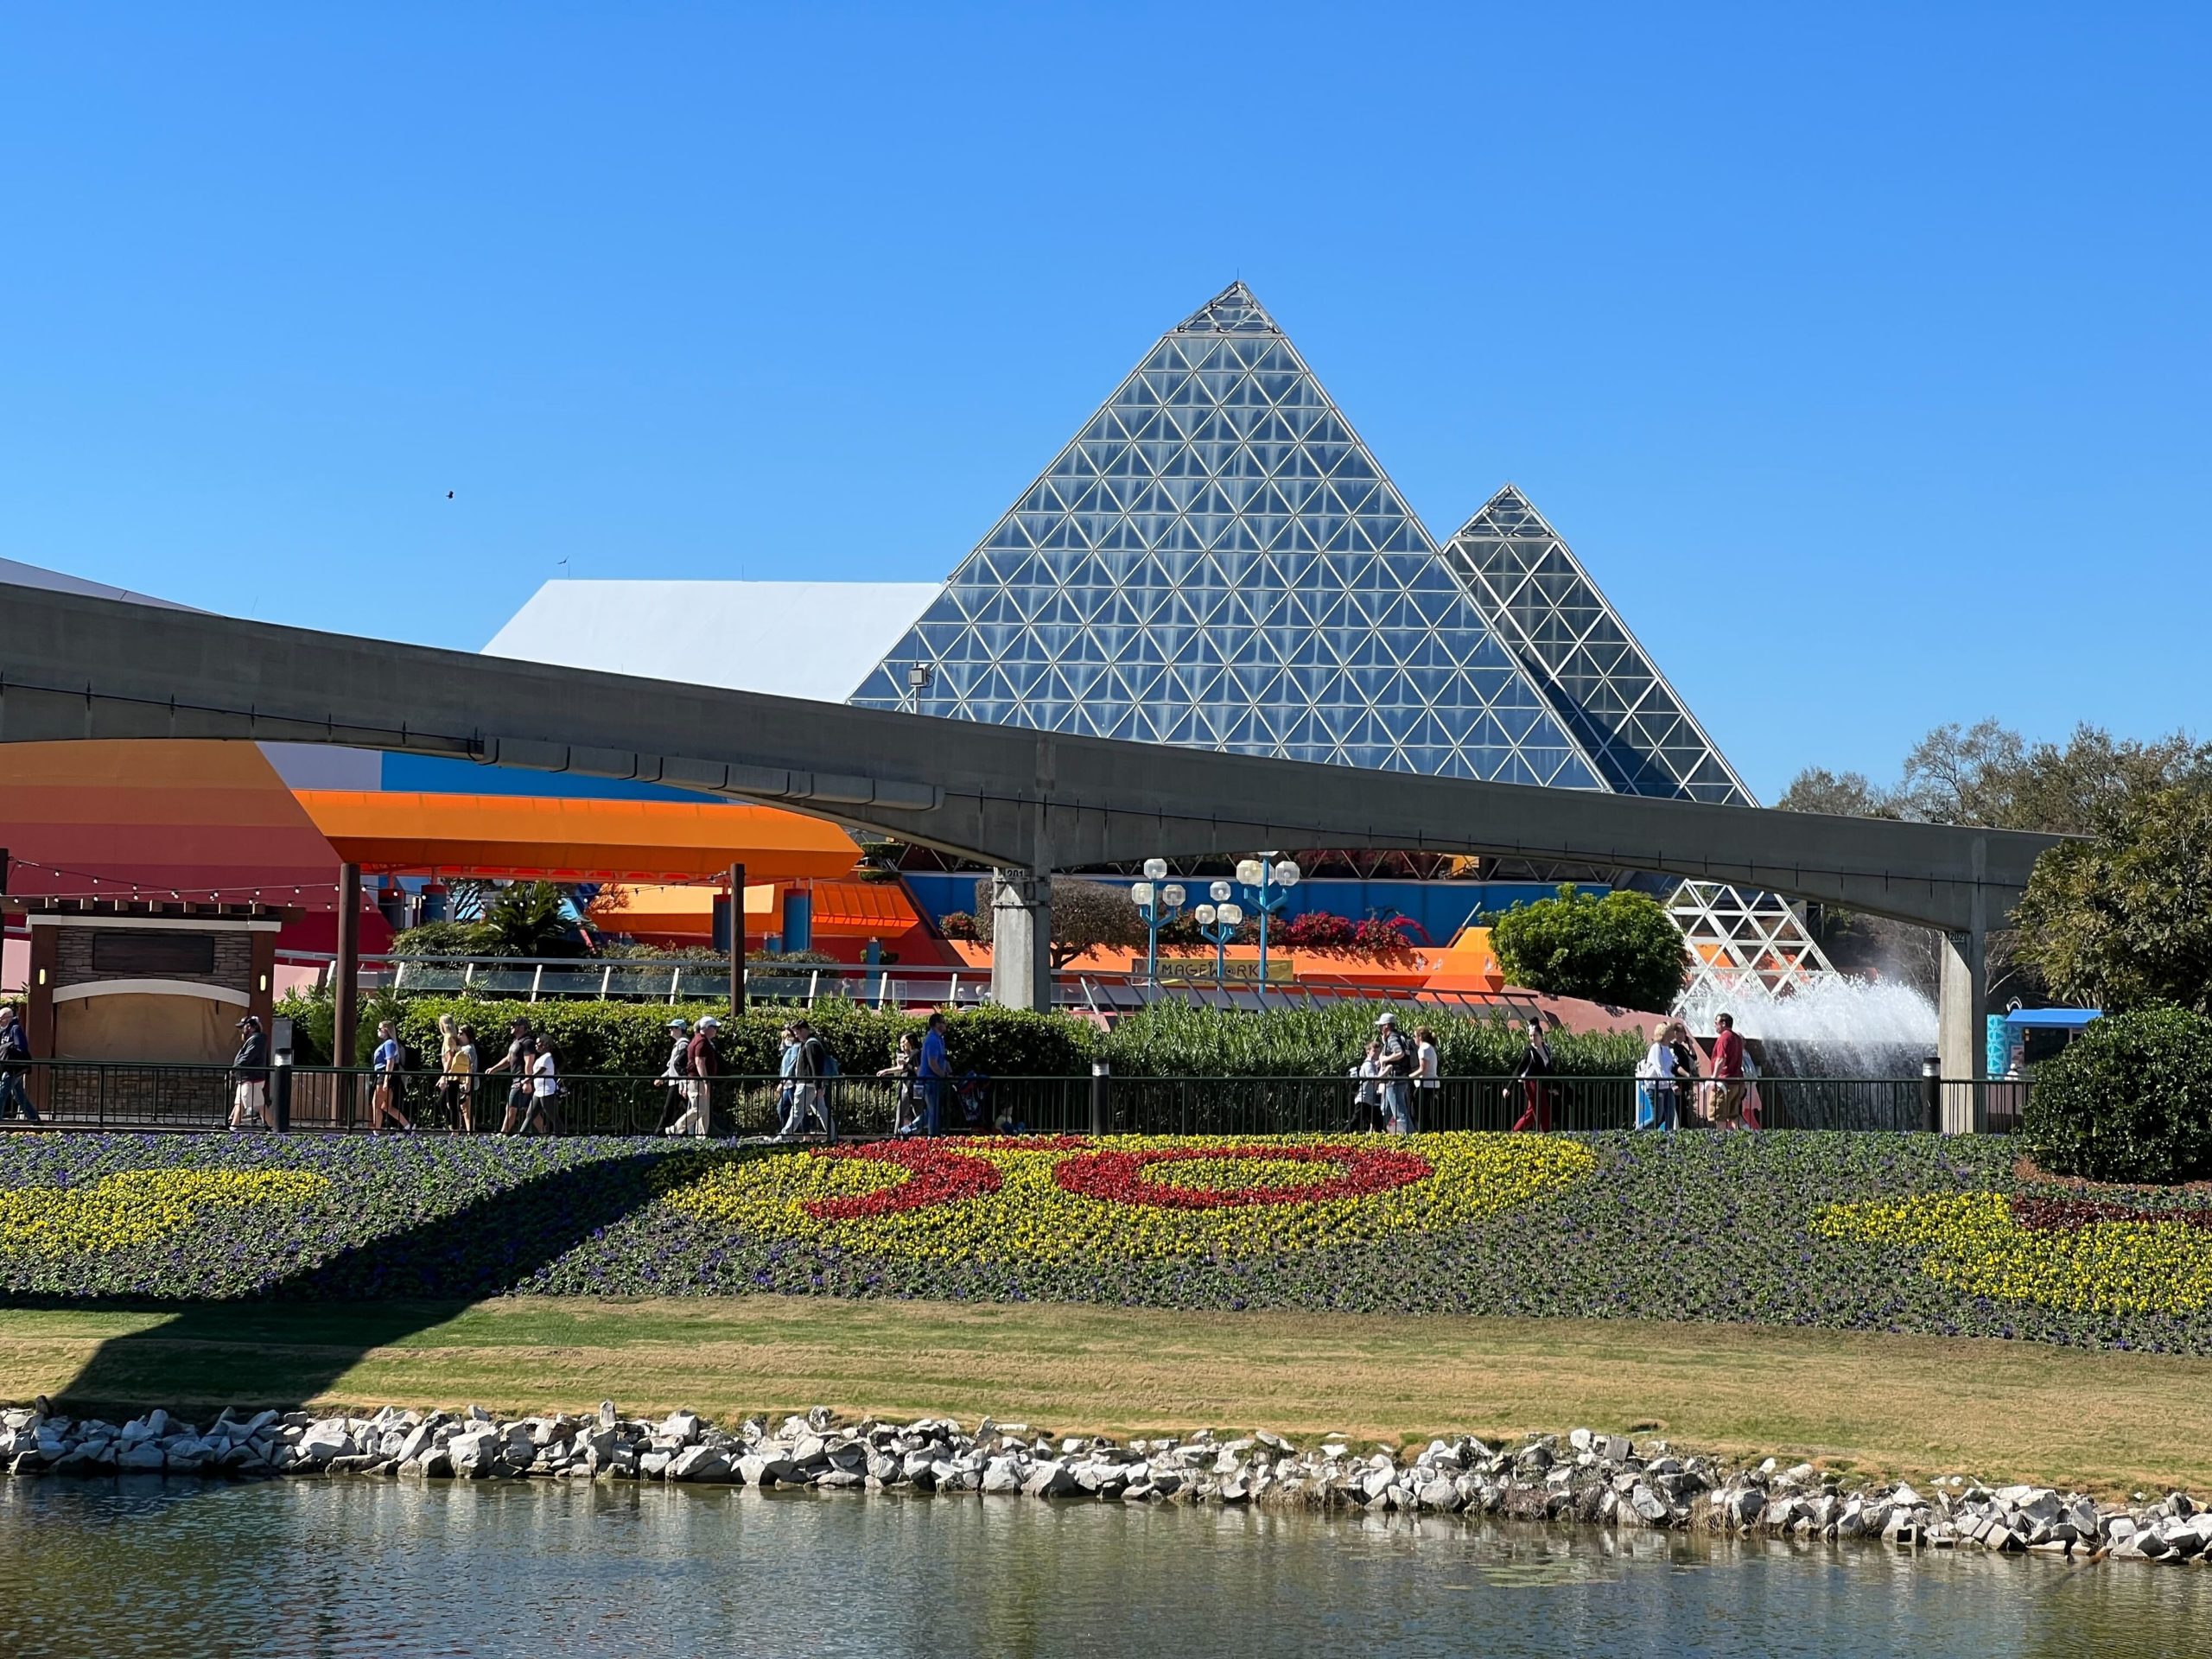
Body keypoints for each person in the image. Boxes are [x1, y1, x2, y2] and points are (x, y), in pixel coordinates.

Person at [786, 1018, 836, 1139]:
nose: (797, 1036)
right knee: (822, 1112)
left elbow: (815, 1067)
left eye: (797, 1033)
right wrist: (818, 1086)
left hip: (807, 1085)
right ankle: (834, 1136)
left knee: (797, 1112)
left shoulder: (811, 1045)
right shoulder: (812, 1043)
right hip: (811, 1085)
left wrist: (818, 1086)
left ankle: (784, 1136)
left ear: (803, 1030)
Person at [674, 1014, 721, 1138]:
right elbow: (699, 1061)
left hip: (698, 1080)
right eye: (714, 1027)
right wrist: (706, 1081)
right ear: (707, 1028)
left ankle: (702, 1136)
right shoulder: (701, 1041)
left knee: (704, 1111)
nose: (716, 1030)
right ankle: (675, 1129)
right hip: (697, 1081)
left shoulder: (701, 1040)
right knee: (699, 1109)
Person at [488, 1017, 535, 1135]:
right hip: (517, 1079)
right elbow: (509, 1059)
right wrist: (494, 1069)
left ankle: (503, 1133)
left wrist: (527, 1082)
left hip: (521, 1080)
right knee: (532, 1110)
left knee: (511, 1108)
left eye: (514, 1025)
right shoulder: (516, 1042)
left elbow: (529, 1063)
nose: (511, 1027)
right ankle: (545, 1133)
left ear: (522, 1027)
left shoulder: (527, 1042)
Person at [226, 1014, 270, 1131]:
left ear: (250, 1027)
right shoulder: (255, 1039)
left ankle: (273, 1126)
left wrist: (235, 1068)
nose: (241, 1030)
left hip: (252, 1078)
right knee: (239, 1102)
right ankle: (233, 1125)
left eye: (243, 1027)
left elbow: (247, 1058)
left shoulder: (256, 1039)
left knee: (259, 1104)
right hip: (247, 1077)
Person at [1510, 1016, 1554, 1133]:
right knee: (1542, 1109)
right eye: (1530, 1036)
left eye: (1535, 1036)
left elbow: (1549, 1069)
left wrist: (1552, 1086)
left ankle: (1515, 1131)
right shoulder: (1529, 1051)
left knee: (1532, 1112)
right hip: (1531, 1083)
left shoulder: (1546, 1049)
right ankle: (1545, 1132)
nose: (1532, 1038)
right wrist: (1508, 1087)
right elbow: (1519, 1069)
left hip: (1541, 1084)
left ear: (1541, 1036)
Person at [368, 1020, 412, 1133]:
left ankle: (376, 1131)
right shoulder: (387, 1043)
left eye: (380, 1029)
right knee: (386, 1106)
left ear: (386, 1030)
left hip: (384, 1074)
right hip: (384, 1075)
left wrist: (386, 1080)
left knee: (376, 1104)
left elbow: (390, 1062)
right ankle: (408, 1127)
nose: (378, 1031)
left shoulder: (389, 1044)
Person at [1375, 1011, 1414, 1135]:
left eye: (1381, 1026)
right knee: (1385, 1109)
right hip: (1396, 1079)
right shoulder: (1397, 1036)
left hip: (1395, 1079)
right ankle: (1390, 1133)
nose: (1380, 1028)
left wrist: (1385, 1059)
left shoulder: (1392, 1038)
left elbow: (1399, 1053)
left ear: (1386, 1026)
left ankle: (1410, 1135)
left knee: (1399, 1111)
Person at [1635, 1020, 1678, 1131]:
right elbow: (1659, 1069)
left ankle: (1669, 1139)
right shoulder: (1656, 1048)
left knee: (1670, 1115)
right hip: (1656, 1086)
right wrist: (1672, 1082)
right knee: (1657, 1118)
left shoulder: (1667, 1048)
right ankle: (1637, 1132)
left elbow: (1668, 1067)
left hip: (1666, 1086)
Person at [879, 1033, 925, 1136]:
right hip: (914, 1086)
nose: (902, 1045)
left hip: (910, 1086)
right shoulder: (911, 1054)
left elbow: (917, 1070)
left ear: (911, 1041)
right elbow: (903, 1068)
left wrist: (907, 1065)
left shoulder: (916, 1053)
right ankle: (915, 1135)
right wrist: (886, 1071)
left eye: (904, 1041)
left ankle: (898, 1135)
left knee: (903, 1111)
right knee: (916, 1112)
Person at [0, 1005, 39, 1125]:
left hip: (14, 1067)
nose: (0, 1022)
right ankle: (34, 1118)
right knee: (18, 1095)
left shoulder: (15, 1029)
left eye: (1, 1019)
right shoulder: (3, 1031)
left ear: (8, 1018)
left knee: (2, 1091)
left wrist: (9, 1049)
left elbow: (21, 1047)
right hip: (9, 1066)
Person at [1710, 1012, 1748, 1129]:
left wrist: (1714, 1079)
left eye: (1716, 1023)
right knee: (1733, 1114)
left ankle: (1719, 1142)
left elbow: (1721, 1059)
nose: (1715, 1026)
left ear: (1723, 1023)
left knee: (1719, 1115)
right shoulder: (1736, 1038)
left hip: (1724, 1082)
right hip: (1736, 1081)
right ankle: (1748, 1135)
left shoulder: (1724, 1038)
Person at [518, 1035, 561, 1135]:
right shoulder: (542, 1057)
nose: (536, 1045)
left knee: (552, 1115)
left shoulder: (547, 1057)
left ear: (545, 1045)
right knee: (530, 1114)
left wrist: (528, 1080)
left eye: (539, 1043)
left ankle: (560, 1136)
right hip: (539, 1091)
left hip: (547, 1091)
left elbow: (540, 1071)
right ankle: (521, 1135)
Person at [657, 1017, 693, 1135]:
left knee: (670, 1109)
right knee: (688, 1109)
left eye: (672, 1028)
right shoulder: (679, 1044)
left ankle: (661, 1132)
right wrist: (663, 1077)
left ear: (679, 1029)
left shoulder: (683, 1045)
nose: (670, 1030)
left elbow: (678, 1065)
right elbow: (673, 1066)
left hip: (679, 1082)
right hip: (676, 1081)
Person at [918, 1012, 951, 1137]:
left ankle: (933, 1135)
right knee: (933, 1111)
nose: (945, 1024)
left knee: (934, 1110)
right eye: (943, 1022)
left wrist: (949, 1072)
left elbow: (943, 1059)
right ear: (936, 1024)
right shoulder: (932, 1040)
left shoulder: (939, 1039)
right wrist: (943, 1075)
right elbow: (932, 1063)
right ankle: (933, 1137)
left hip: (935, 1080)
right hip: (930, 1080)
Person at [1668, 1020, 1705, 1127]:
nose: (1683, 1035)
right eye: (1681, 1033)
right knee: (1679, 1110)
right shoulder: (1672, 1047)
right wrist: (1688, 1075)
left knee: (1684, 1109)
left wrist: (1690, 1045)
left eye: (1683, 1033)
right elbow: (1676, 1065)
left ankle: (1684, 1128)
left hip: (1684, 1083)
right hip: (1677, 1082)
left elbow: (1693, 1057)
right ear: (1676, 1034)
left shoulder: (1682, 1048)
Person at [448, 1023, 480, 1134]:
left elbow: (470, 1067)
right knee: (464, 1108)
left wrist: (467, 1084)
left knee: (466, 1109)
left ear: (468, 1036)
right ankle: (468, 1131)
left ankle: (470, 1133)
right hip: (464, 1081)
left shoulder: (468, 1049)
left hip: (467, 1081)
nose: (459, 1035)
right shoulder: (464, 1048)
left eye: (461, 1034)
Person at [1349, 1039, 1385, 1133]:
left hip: (1369, 1099)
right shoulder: (1368, 1065)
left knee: (1378, 1120)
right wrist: (1387, 1072)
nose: (1377, 1053)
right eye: (1374, 1051)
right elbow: (1374, 1079)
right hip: (1364, 1098)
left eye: (1378, 1051)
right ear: (1367, 1051)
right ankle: (1342, 1135)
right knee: (1356, 1120)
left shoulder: (1372, 1064)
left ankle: (1377, 1138)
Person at [1413, 1025, 1440, 1130]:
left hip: (1425, 1085)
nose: (1414, 1038)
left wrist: (1409, 1076)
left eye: (1415, 1036)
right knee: (1425, 1111)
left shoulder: (1423, 1048)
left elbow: (1423, 1069)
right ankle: (1428, 1131)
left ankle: (1423, 1132)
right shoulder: (1430, 1047)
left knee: (1418, 1112)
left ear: (1420, 1036)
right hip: (1431, 1084)